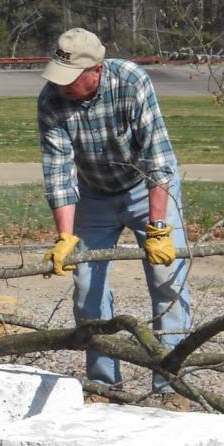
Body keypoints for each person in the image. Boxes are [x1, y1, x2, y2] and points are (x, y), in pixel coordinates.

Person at [37, 27, 191, 407]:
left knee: (167, 279)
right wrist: (65, 238)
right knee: (86, 289)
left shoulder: (131, 81)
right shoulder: (51, 101)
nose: (61, 86)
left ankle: (170, 386)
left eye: (70, 78)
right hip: (93, 194)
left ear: (96, 70)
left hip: (146, 188)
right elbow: (58, 174)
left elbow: (158, 161)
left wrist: (158, 228)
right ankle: (105, 386)